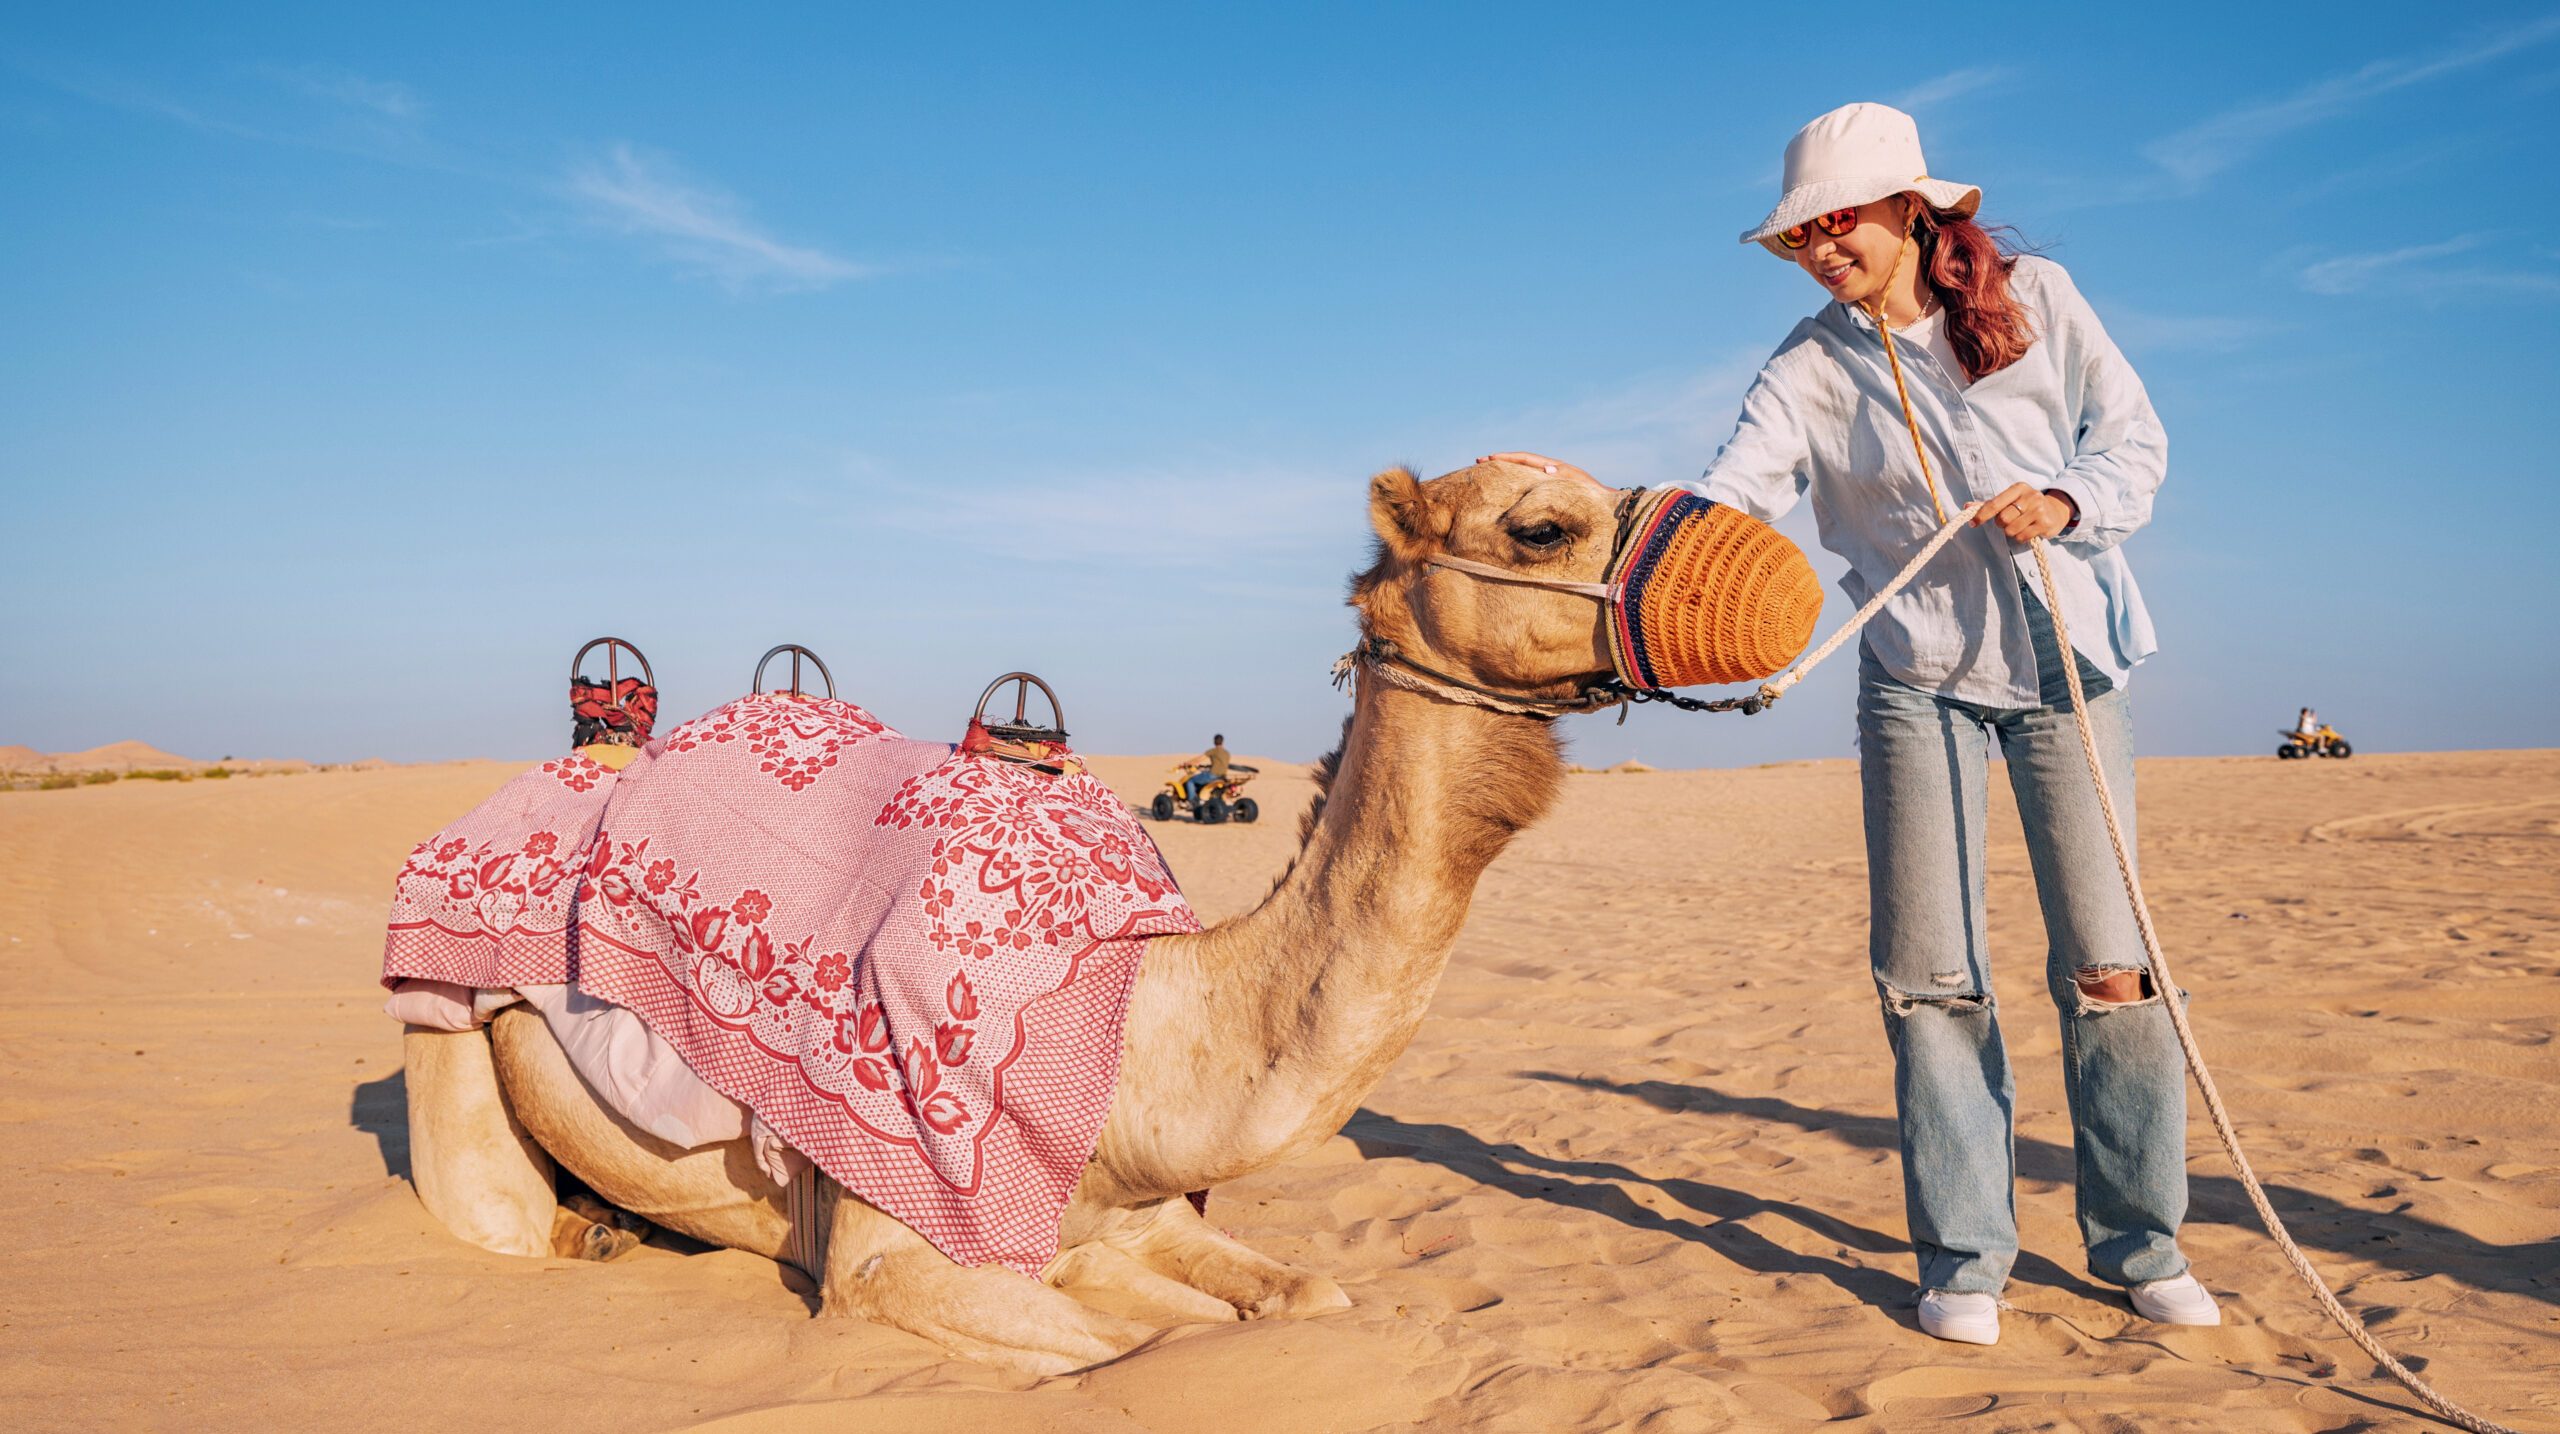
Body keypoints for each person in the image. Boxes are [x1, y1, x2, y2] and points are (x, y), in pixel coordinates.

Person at [1488, 102, 2213, 1346]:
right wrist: (1610, 517)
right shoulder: (1809, 365)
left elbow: (2133, 441)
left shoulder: (2036, 294)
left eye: (1838, 224)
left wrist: (2064, 496)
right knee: (1930, 979)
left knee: (2111, 970)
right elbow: (1734, 492)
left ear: (1909, 209)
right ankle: (1967, 1257)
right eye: (1799, 237)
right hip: (1912, 676)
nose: (1821, 250)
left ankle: (2140, 1243)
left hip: (2067, 665)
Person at [1183, 734, 1231, 805]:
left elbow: (1199, 759)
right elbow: (1221, 763)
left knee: (1190, 781)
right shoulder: (1227, 753)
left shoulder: (1213, 751)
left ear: (1214, 742)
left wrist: (1187, 763)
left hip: (1212, 775)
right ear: (1222, 742)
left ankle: (1192, 800)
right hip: (1223, 777)